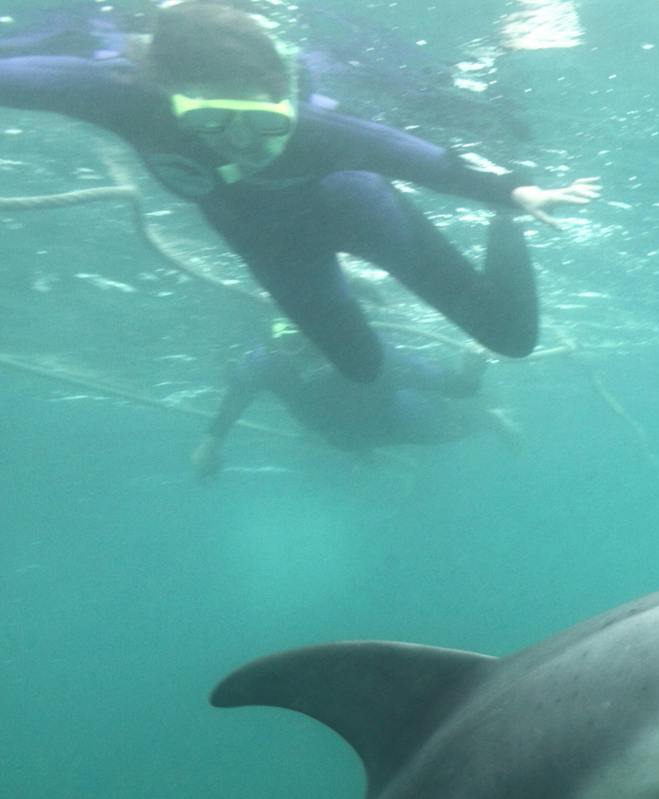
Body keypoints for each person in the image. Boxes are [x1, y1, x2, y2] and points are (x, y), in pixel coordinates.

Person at [0, 2, 597, 382]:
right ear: (167, 97)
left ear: (283, 96)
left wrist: (515, 196)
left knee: (511, 340)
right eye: (214, 125)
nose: (244, 144)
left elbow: (422, 160)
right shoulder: (124, 95)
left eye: (265, 124)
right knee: (361, 369)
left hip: (362, 213)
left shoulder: (319, 131)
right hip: (271, 248)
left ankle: (505, 234)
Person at [191, 320, 522, 477]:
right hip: (342, 434)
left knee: (448, 430)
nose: (310, 356)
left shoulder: (370, 352)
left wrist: (471, 369)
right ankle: (363, 450)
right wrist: (211, 442)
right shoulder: (266, 361)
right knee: (342, 441)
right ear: (278, 345)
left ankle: (490, 419)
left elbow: (450, 384)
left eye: (317, 343)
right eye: (294, 343)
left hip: (399, 419)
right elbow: (238, 393)